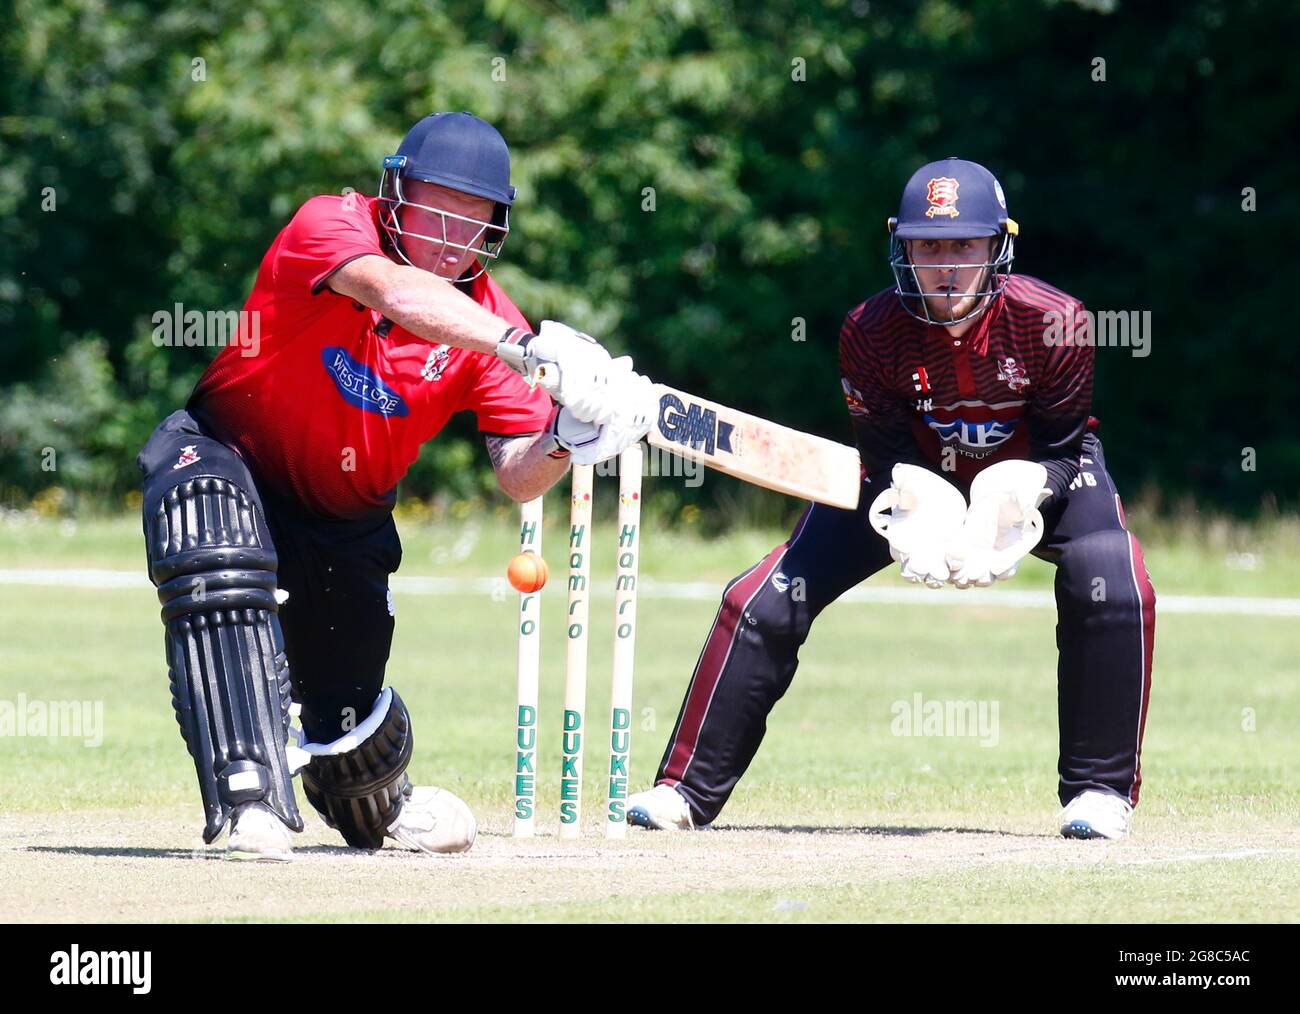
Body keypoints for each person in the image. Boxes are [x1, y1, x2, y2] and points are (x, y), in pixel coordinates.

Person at [136, 111, 653, 860]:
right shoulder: (331, 225)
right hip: (226, 454)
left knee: (356, 777)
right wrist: (529, 349)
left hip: (346, 525)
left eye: (470, 223)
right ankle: (248, 797)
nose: (449, 238)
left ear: (494, 231)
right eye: (435, 212)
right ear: (394, 194)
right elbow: (393, 293)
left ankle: (382, 798)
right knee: (210, 533)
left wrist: (565, 439)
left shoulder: (491, 324)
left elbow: (516, 477)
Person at [625, 157, 1156, 841]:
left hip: (1038, 471)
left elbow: (1061, 447)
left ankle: (1100, 794)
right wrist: (915, 512)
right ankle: (683, 792)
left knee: (1115, 581)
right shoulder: (868, 330)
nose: (946, 265)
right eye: (928, 244)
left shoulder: (1060, 321)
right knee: (762, 595)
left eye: (965, 245)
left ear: (999, 246)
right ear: (900, 246)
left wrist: (1018, 494)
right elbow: (880, 452)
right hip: (913, 475)